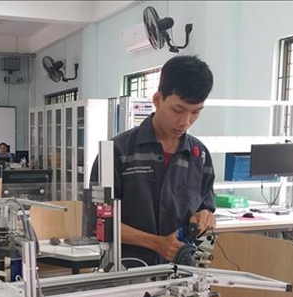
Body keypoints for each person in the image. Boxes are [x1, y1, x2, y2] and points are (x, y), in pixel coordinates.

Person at [90, 55, 217, 266]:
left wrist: (204, 217)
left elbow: (206, 208)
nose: (185, 121)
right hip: (126, 271)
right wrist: (157, 243)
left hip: (182, 273)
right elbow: (98, 223)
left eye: (195, 112)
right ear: (157, 99)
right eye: (178, 110)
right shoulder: (117, 152)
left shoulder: (199, 155)